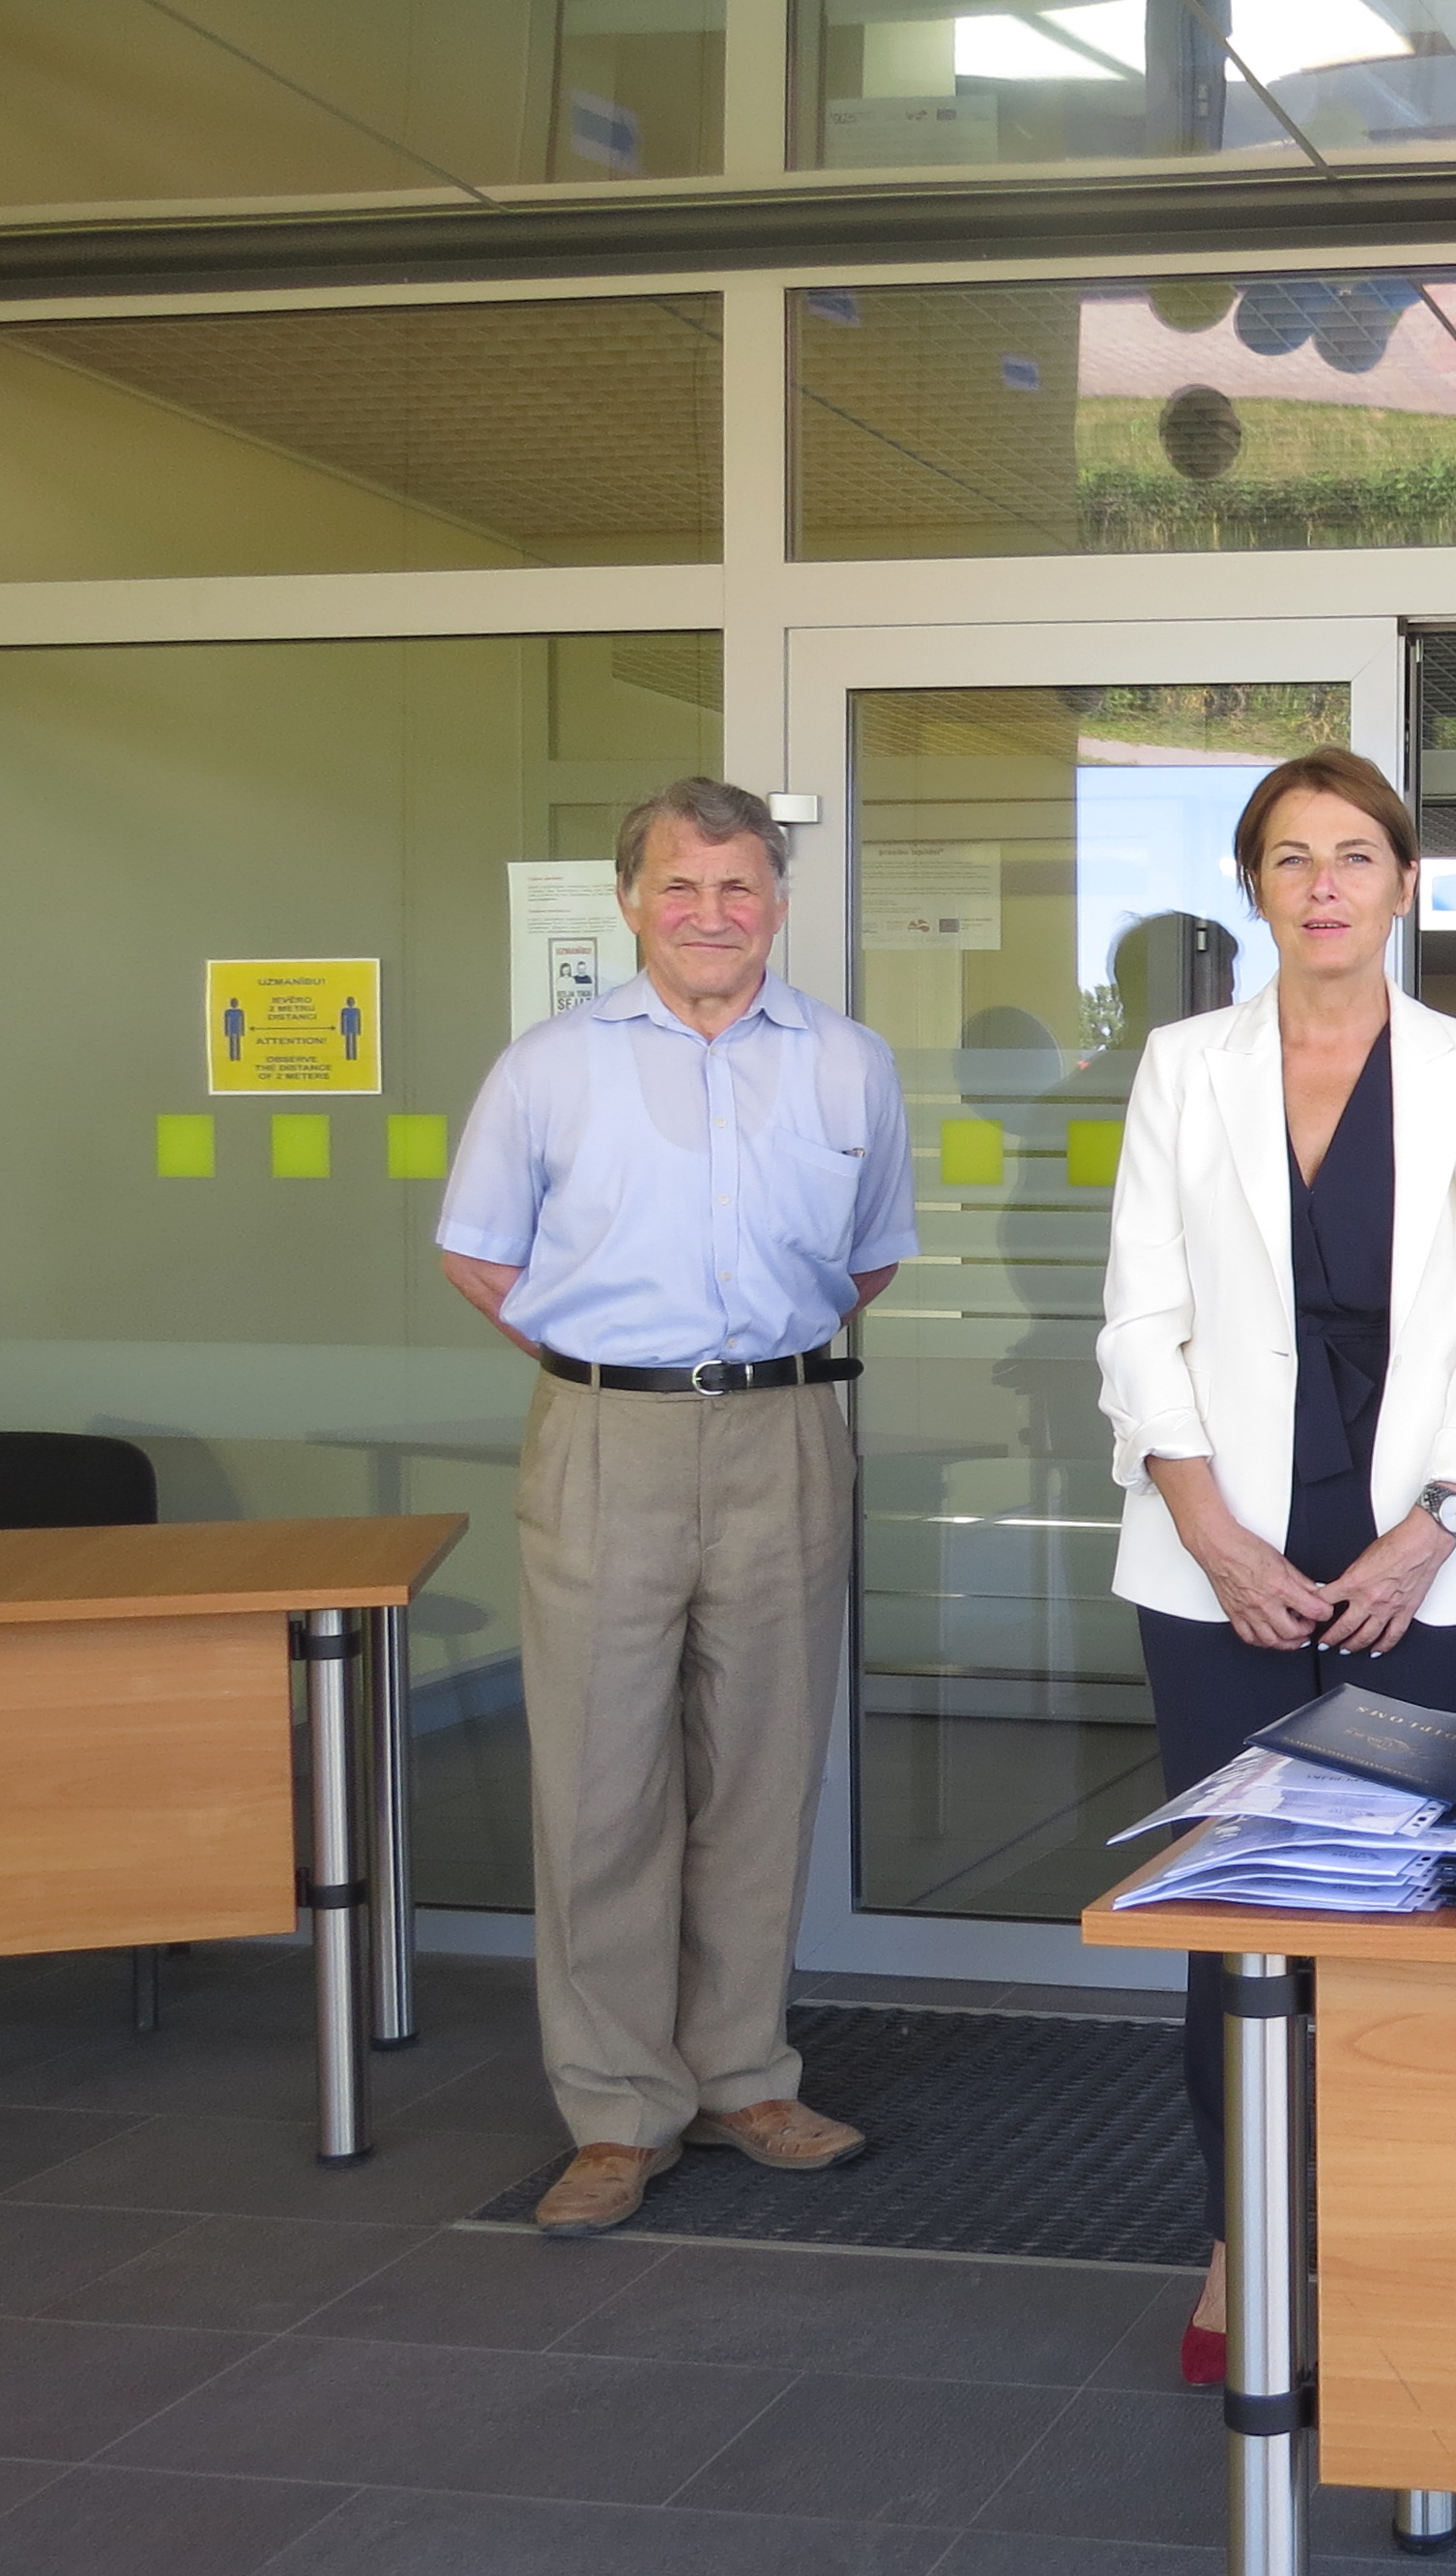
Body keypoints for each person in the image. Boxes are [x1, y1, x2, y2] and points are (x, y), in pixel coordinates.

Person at [1095, 747, 1456, 2386]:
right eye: (1291, 857)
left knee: (1414, 1909)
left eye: (1356, 853)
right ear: (1255, 887)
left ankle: (1396, 2231)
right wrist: (1214, 1535)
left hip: (1425, 1559)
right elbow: (1139, 1317)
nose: (1326, 885)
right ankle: (1243, 2232)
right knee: (1233, 1909)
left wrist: (1430, 1533)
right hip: (1217, 1555)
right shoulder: (1183, 1067)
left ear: (1405, 884)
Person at [433, 776, 917, 2239]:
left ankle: (742, 2078)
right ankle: (614, 2108)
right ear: (631, 901)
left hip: (786, 1432)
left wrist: (746, 1361)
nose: (713, 913)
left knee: (764, 1772)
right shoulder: (549, 1068)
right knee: (601, 1785)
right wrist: (605, 1362)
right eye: (682, 885)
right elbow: (478, 1253)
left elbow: (870, 1256)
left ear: (777, 902)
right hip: (605, 1439)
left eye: (739, 885)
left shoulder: (849, 1065)